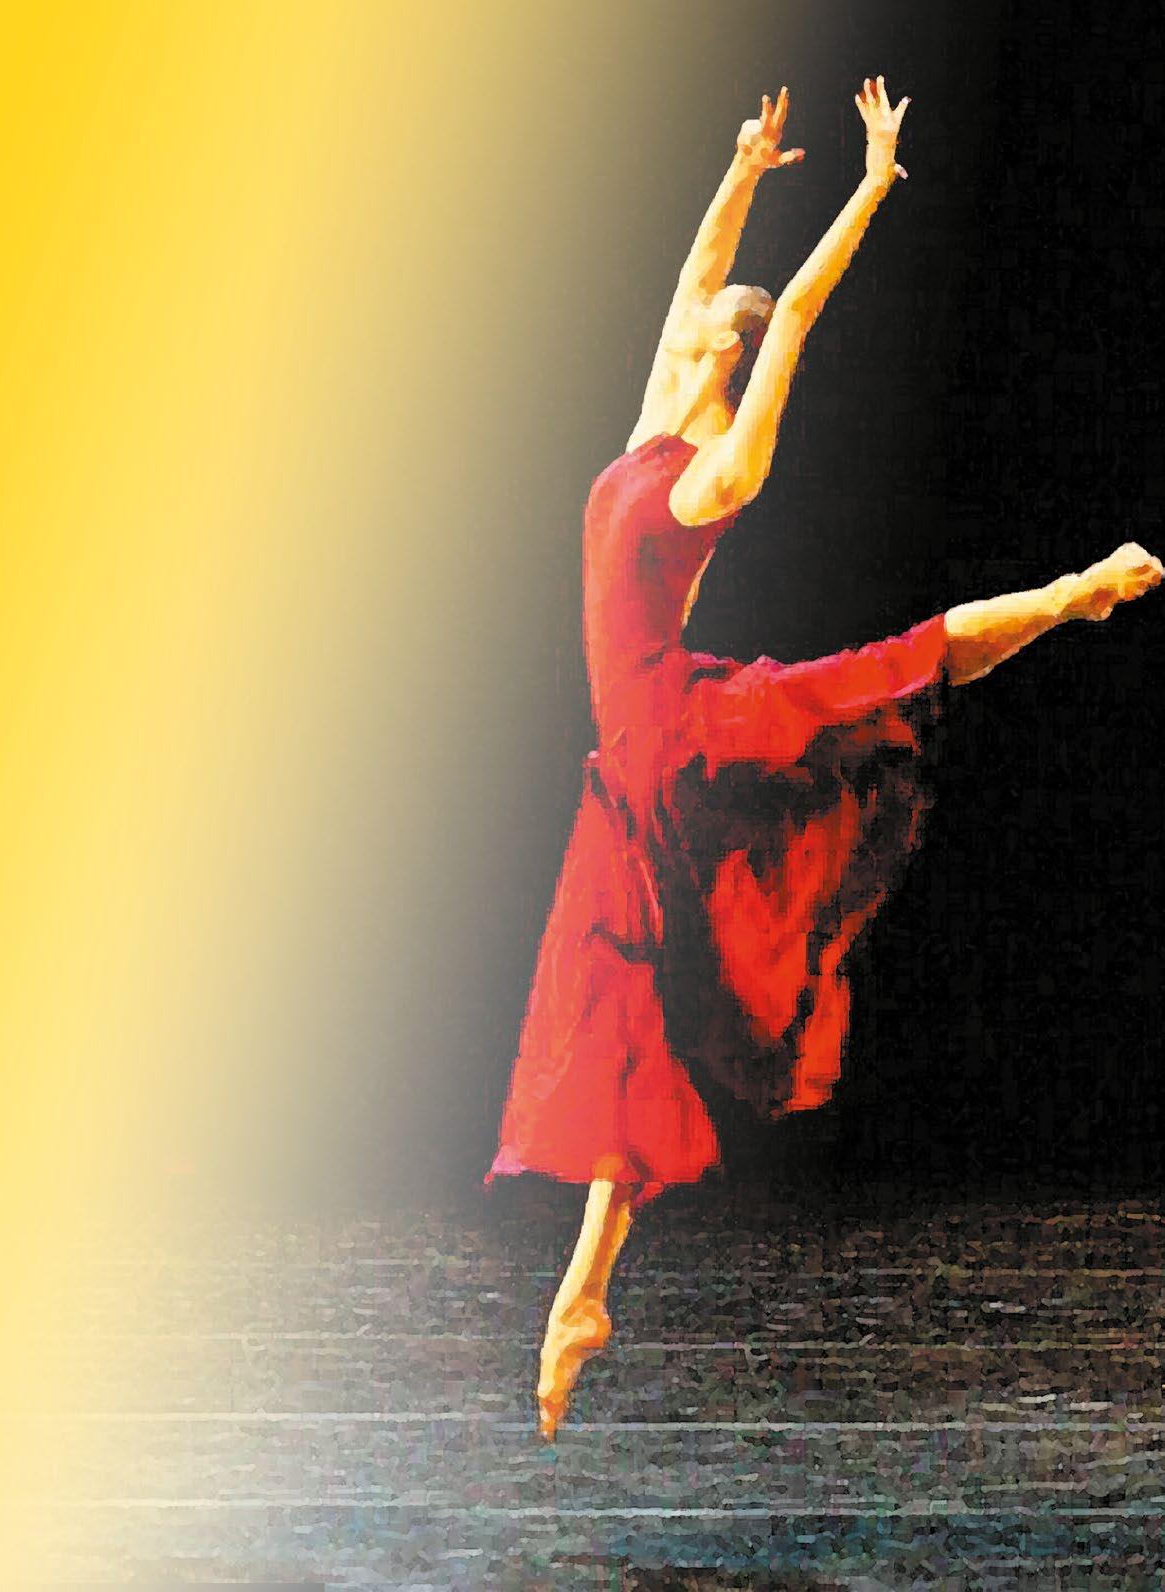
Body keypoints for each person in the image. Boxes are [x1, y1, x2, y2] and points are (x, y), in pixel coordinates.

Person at [483, 78, 1163, 1439]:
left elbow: (786, 311)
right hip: (633, 758)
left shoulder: (709, 473)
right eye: (692, 329)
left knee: (881, 674)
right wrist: (742, 170)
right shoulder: (652, 425)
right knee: (623, 1011)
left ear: (723, 367)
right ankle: (583, 1294)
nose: (686, 324)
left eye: (706, 334)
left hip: (682, 742)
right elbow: (703, 283)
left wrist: (867, 185)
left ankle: (1071, 592)